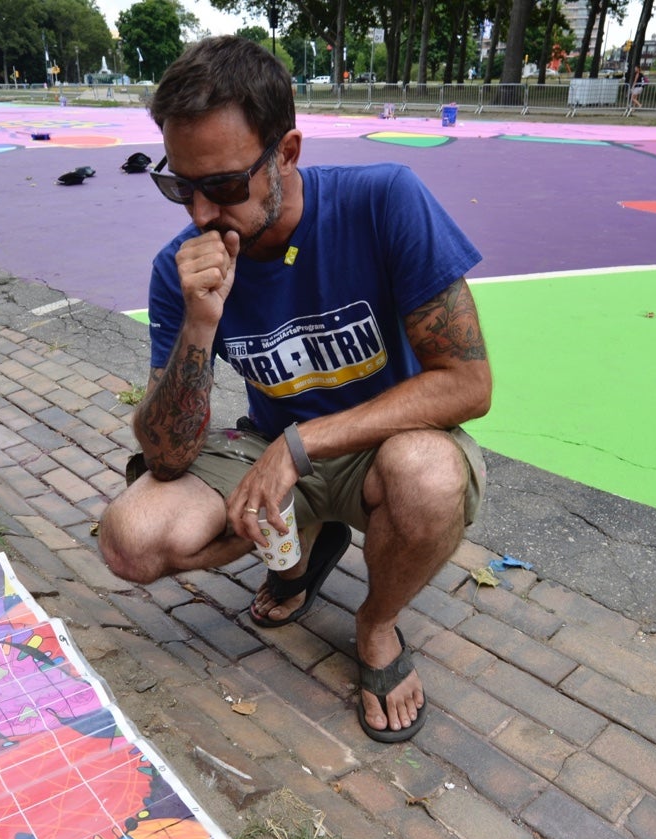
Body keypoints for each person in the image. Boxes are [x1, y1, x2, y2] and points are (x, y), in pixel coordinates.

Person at [98, 36, 491, 744]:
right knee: (131, 538)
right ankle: (307, 544)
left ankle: (375, 625)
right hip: (271, 446)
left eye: (220, 185)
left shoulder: (385, 202)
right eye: (179, 185)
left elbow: (468, 383)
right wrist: (199, 323)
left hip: (382, 447)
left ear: (287, 152)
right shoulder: (178, 268)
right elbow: (164, 455)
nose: (198, 213)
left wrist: (299, 444)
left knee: (429, 478)